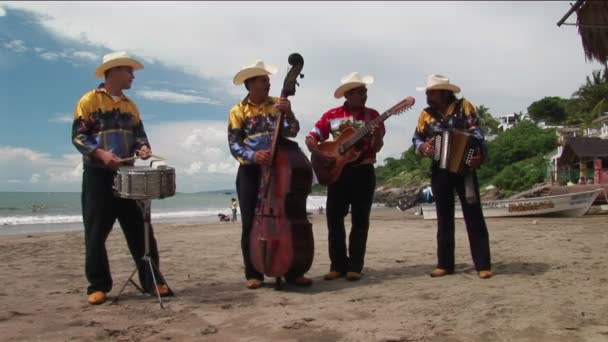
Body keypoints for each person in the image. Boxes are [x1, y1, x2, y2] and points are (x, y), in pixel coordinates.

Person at [72, 51, 172, 305]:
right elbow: (79, 137)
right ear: (114, 71)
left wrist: (143, 149)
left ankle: (152, 282)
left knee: (141, 231)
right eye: (129, 71)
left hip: (127, 175)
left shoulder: (130, 105)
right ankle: (98, 286)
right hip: (97, 175)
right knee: (95, 233)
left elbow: (140, 135)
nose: (133, 76)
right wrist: (101, 154)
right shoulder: (89, 100)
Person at [228, 60, 313, 289]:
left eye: (268, 80)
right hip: (250, 170)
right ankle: (253, 272)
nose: (268, 83)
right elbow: (234, 144)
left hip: (280, 167)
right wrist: (254, 156)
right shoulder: (238, 110)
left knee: (287, 215)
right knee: (250, 221)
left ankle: (292, 270)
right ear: (250, 84)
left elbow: (292, 132)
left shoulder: (277, 103)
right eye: (263, 80)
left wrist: (289, 113)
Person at [305, 72, 385, 282]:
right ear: (347, 94)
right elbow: (311, 138)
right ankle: (337, 265)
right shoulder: (331, 115)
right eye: (359, 92)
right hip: (338, 172)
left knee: (360, 220)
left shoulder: (373, 116)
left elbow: (376, 147)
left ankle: (355, 266)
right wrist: (321, 154)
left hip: (364, 171)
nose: (364, 95)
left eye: (365, 91)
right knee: (334, 219)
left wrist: (376, 135)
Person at [412, 74, 492, 279]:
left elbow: (477, 132)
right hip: (440, 169)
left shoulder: (464, 106)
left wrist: (477, 153)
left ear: (445, 93)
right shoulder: (425, 115)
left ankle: (483, 264)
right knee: (444, 217)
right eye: (428, 92)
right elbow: (417, 138)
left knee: (473, 216)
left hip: (465, 168)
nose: (428, 96)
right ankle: (445, 264)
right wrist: (424, 147)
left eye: (432, 92)